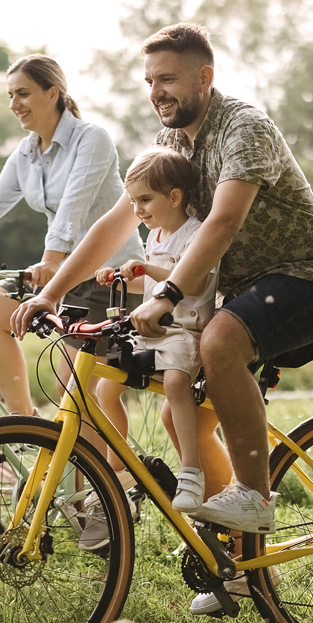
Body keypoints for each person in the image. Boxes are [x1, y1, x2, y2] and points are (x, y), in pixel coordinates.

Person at [11, 23, 313, 614]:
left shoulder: (244, 127)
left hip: (310, 276)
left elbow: (222, 222)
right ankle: (238, 565)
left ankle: (255, 496)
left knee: (222, 342)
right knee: (184, 419)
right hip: (238, 288)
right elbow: (118, 223)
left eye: (167, 79)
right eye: (149, 81)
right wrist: (54, 291)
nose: (156, 92)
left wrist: (166, 295)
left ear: (205, 77)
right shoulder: (169, 142)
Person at [0, 53, 145, 551]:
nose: (15, 103)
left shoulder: (92, 139)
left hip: (108, 275)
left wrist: (51, 259)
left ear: (52, 93)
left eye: (23, 93)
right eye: (11, 95)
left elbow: (77, 206)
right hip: (59, 271)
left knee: (86, 396)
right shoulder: (26, 153)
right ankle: (27, 429)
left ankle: (115, 492)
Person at [93, 147, 222, 512]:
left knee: (177, 384)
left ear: (175, 196)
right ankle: (117, 468)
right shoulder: (156, 237)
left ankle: (191, 472)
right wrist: (122, 276)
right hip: (153, 329)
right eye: (133, 201)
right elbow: (150, 289)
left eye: (145, 200)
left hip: (186, 330)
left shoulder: (194, 233)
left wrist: (146, 269)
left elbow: (193, 285)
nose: (138, 210)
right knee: (106, 385)